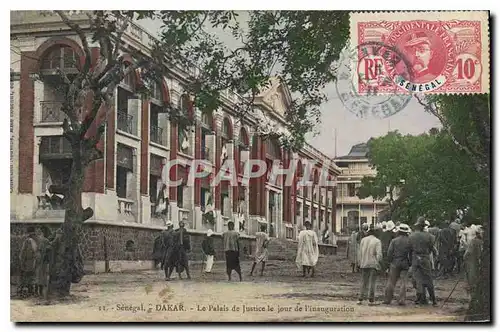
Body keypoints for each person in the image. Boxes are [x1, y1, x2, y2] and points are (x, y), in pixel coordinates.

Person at [409, 217, 438, 306]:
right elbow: (432, 248)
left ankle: (420, 298)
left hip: (415, 257)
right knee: (428, 279)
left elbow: (410, 249)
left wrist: (411, 260)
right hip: (425, 257)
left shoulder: (412, 236)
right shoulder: (429, 236)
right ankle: (433, 300)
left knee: (417, 279)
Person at [383, 224, 412, 305]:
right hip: (405, 263)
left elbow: (389, 253)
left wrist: (389, 262)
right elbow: (411, 253)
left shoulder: (394, 241)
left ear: (399, 231)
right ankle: (401, 300)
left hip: (395, 262)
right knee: (403, 282)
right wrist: (410, 263)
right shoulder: (409, 241)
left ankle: (388, 299)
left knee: (391, 282)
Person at [357, 224, 382, 305]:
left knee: (364, 281)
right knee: (372, 282)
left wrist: (360, 262)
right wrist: (379, 262)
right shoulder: (377, 241)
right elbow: (379, 254)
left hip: (364, 263)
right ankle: (371, 299)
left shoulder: (363, 240)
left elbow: (360, 252)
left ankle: (360, 298)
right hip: (373, 263)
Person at [18, 226, 38, 297]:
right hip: (29, 261)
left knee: (27, 275)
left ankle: (25, 290)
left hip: (28, 261)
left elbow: (22, 252)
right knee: (28, 275)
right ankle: (26, 290)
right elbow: (33, 251)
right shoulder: (29, 241)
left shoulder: (27, 240)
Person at [464, 228, 482, 299]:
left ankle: (473, 297)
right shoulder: (481, 241)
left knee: (472, 280)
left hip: (472, 263)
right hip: (478, 262)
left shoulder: (473, 241)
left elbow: (468, 253)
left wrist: (464, 259)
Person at [34, 226, 51, 298]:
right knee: (39, 276)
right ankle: (38, 291)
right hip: (40, 260)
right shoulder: (41, 240)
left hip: (42, 261)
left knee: (40, 276)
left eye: (40, 231)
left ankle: (39, 291)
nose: (39, 233)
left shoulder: (44, 241)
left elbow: (47, 250)